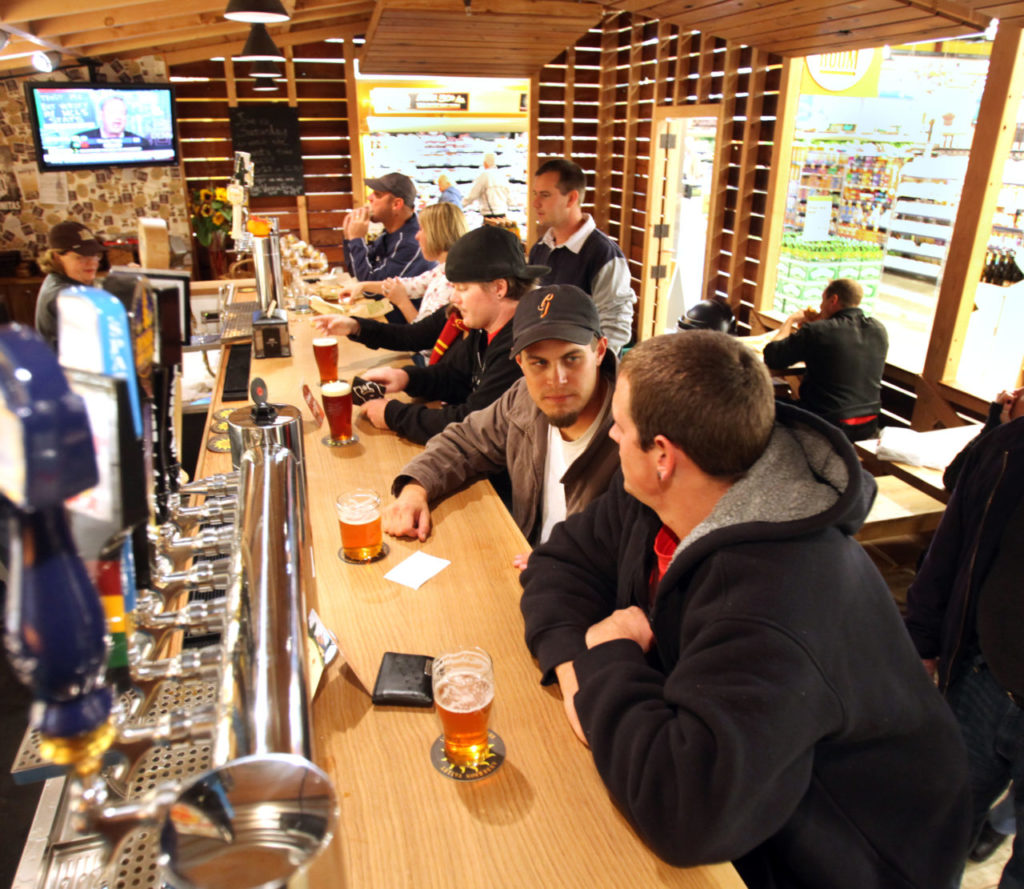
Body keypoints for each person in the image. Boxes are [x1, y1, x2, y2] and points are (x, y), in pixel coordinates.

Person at [520, 330, 971, 888]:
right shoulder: (657, 496)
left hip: (854, 855)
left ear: (663, 455)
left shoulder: (772, 599)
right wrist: (575, 668)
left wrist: (610, 656)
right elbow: (556, 564)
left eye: (620, 425)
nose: (609, 434)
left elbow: (686, 814)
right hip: (752, 801)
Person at [383, 284, 618, 554]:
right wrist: (415, 489)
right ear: (520, 362)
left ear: (599, 351)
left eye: (572, 359)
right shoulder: (524, 399)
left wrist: (562, 570)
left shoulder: (634, 433)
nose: (556, 380)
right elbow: (464, 441)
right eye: (539, 363)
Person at [904, 405, 1024, 888]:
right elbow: (950, 548)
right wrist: (923, 639)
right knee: (934, 831)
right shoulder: (1010, 446)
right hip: (982, 678)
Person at [320, 224, 548, 446]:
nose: (453, 298)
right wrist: (405, 378)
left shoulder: (522, 345)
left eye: (463, 288)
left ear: (499, 288)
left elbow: (472, 424)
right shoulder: (485, 326)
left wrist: (393, 415)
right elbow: (455, 377)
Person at [527, 157, 635, 354]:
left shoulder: (604, 254)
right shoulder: (540, 249)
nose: (535, 203)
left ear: (571, 198)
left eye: (545, 195)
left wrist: (585, 366)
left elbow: (615, 328)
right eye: (535, 194)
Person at [336, 202, 467, 359]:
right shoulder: (441, 271)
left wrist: (402, 302)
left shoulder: (452, 285)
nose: (416, 236)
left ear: (437, 233)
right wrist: (362, 286)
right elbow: (407, 285)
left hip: (427, 363)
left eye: (422, 230)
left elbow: (423, 342)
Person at [763, 277, 888, 442]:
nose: (820, 307)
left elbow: (772, 356)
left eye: (822, 301)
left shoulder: (818, 331)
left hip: (826, 422)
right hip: (869, 424)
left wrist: (791, 321)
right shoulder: (878, 330)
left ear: (833, 299)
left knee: (764, 404)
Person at [341, 172, 435, 282]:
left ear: (396, 204)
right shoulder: (390, 234)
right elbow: (357, 273)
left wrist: (357, 239)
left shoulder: (411, 242)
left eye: (377, 194)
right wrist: (349, 238)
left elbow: (371, 289)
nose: (369, 198)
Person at [35, 220, 105, 349]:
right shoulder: (63, 296)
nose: (92, 262)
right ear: (57, 257)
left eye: (94, 255)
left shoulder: (70, 280)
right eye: (80, 257)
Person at [74, 94, 149, 149]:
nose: (118, 117)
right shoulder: (79, 140)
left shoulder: (142, 143)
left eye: (122, 113)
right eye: (112, 112)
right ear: (101, 115)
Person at [462, 153, 511, 219]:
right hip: (503, 215)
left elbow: (472, 195)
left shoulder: (484, 175)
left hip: (490, 216)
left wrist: (459, 206)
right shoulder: (502, 176)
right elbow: (510, 199)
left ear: (485, 163)